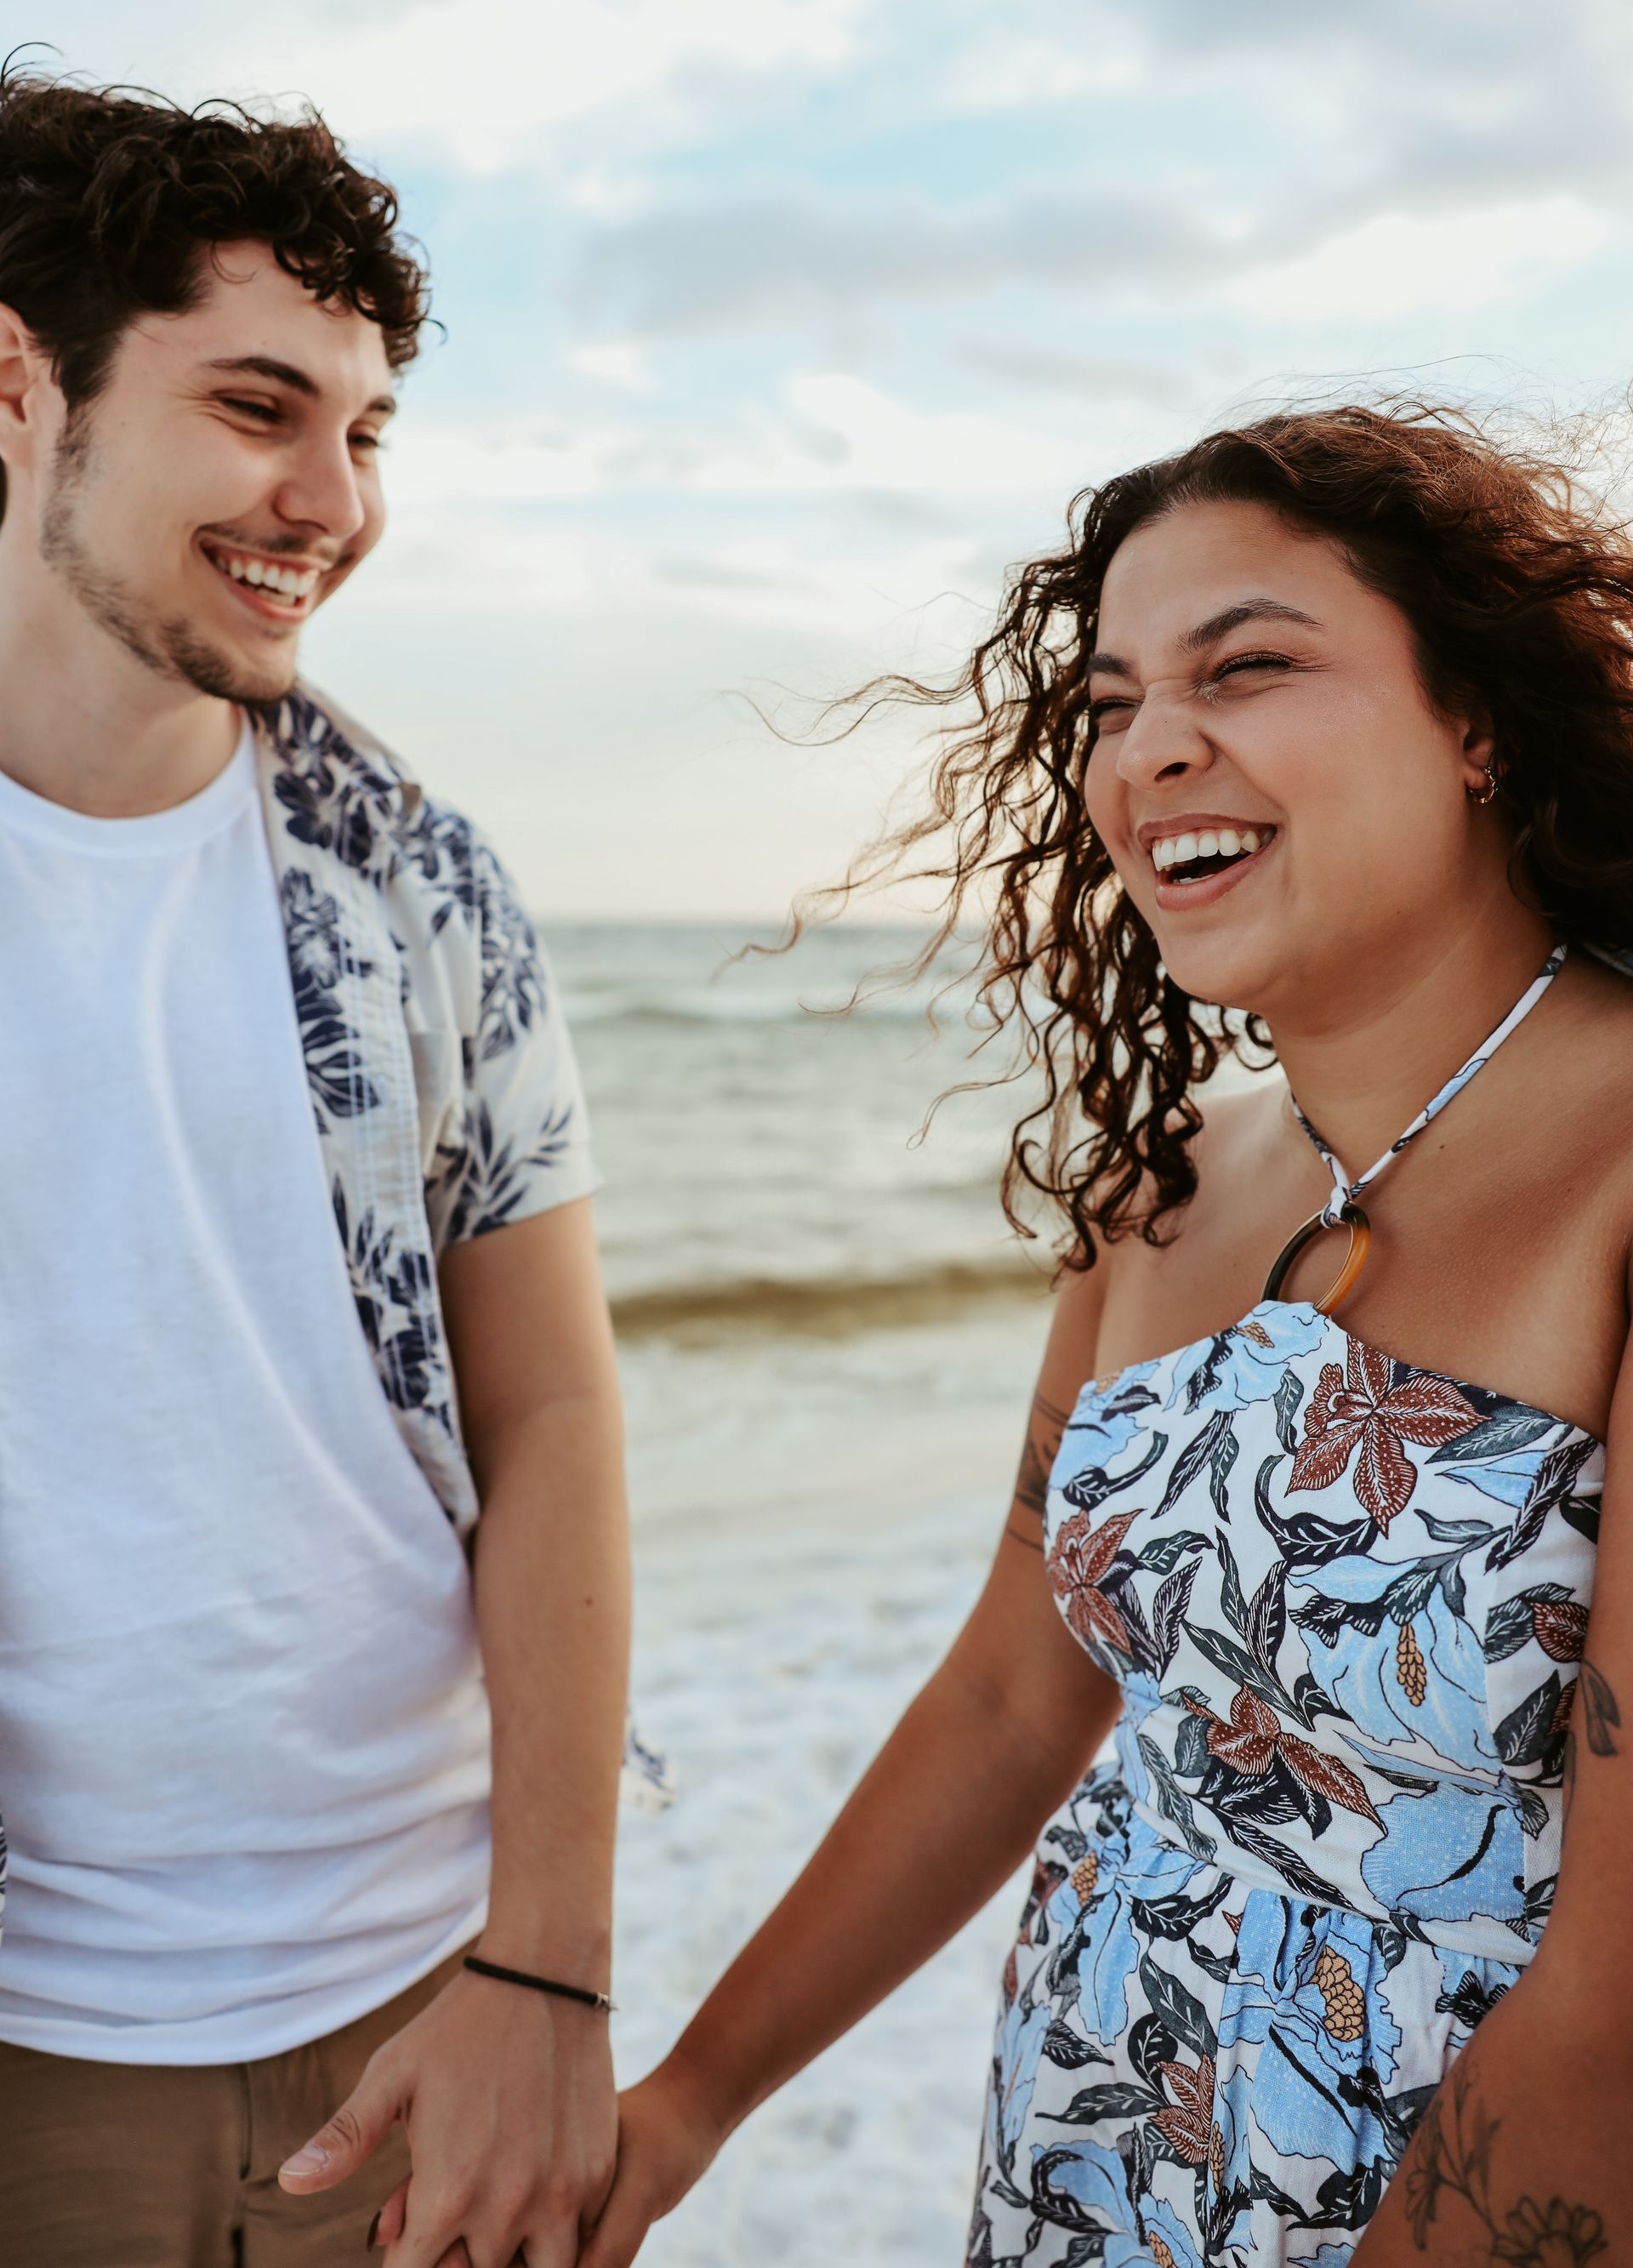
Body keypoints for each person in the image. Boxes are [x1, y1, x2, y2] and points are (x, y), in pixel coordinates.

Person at [575, 405, 1633, 2266]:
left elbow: (1615, 2014)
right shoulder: (1162, 1191)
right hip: (1091, 2155)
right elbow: (1009, 1697)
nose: (1155, 747)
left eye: (1252, 666)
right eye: (1109, 703)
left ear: (1476, 721)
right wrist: (688, 2103)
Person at [0, 66, 640, 2267]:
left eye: (365, 432)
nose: (331, 498)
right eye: (261, 407)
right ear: (19, 390)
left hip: (415, 2018)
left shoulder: (423, 894)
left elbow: (552, 1407)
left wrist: (551, 1970)